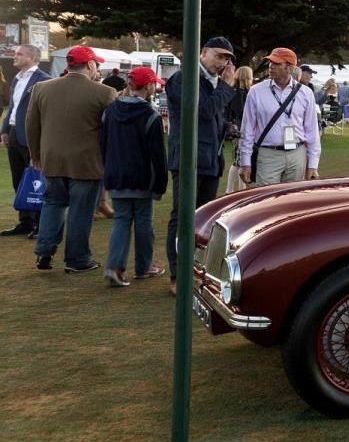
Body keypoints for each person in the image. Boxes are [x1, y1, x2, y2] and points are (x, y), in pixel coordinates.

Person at [28, 45, 117, 272]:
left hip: (52, 158)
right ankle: (77, 260)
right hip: (87, 162)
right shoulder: (104, 92)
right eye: (96, 63)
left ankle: (44, 252)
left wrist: (35, 154)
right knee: (81, 210)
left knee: (53, 203)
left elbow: (31, 125)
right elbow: (111, 131)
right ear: (89, 65)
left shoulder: (41, 87)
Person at [165, 36, 237, 294]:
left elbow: (210, 118)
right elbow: (203, 110)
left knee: (202, 219)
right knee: (183, 217)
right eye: (218, 56)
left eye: (227, 59)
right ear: (202, 52)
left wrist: (227, 129)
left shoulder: (210, 81)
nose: (223, 62)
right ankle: (177, 274)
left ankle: (195, 271)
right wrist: (227, 87)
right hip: (189, 159)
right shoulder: (183, 78)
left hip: (209, 159)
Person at [100, 67, 168, 286]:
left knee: (121, 221)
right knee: (143, 222)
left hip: (116, 175)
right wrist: (160, 183)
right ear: (148, 86)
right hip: (141, 178)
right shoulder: (151, 115)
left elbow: (103, 144)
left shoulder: (110, 111)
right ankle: (144, 266)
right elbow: (158, 155)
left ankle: (114, 266)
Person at [238, 48, 321, 187]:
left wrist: (313, 164)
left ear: (289, 68)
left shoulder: (306, 93)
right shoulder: (256, 91)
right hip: (267, 155)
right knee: (265, 202)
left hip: (297, 154)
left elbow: (312, 130)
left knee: (292, 203)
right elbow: (247, 129)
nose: (271, 66)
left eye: (276, 63)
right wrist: (245, 162)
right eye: (270, 62)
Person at [2, 44, 51, 238]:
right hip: (14, 133)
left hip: (32, 136)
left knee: (36, 180)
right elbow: (13, 108)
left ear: (32, 58)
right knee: (18, 180)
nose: (15, 57)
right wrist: (5, 129)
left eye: (19, 54)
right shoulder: (16, 78)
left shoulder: (44, 80)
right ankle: (25, 221)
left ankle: (40, 224)